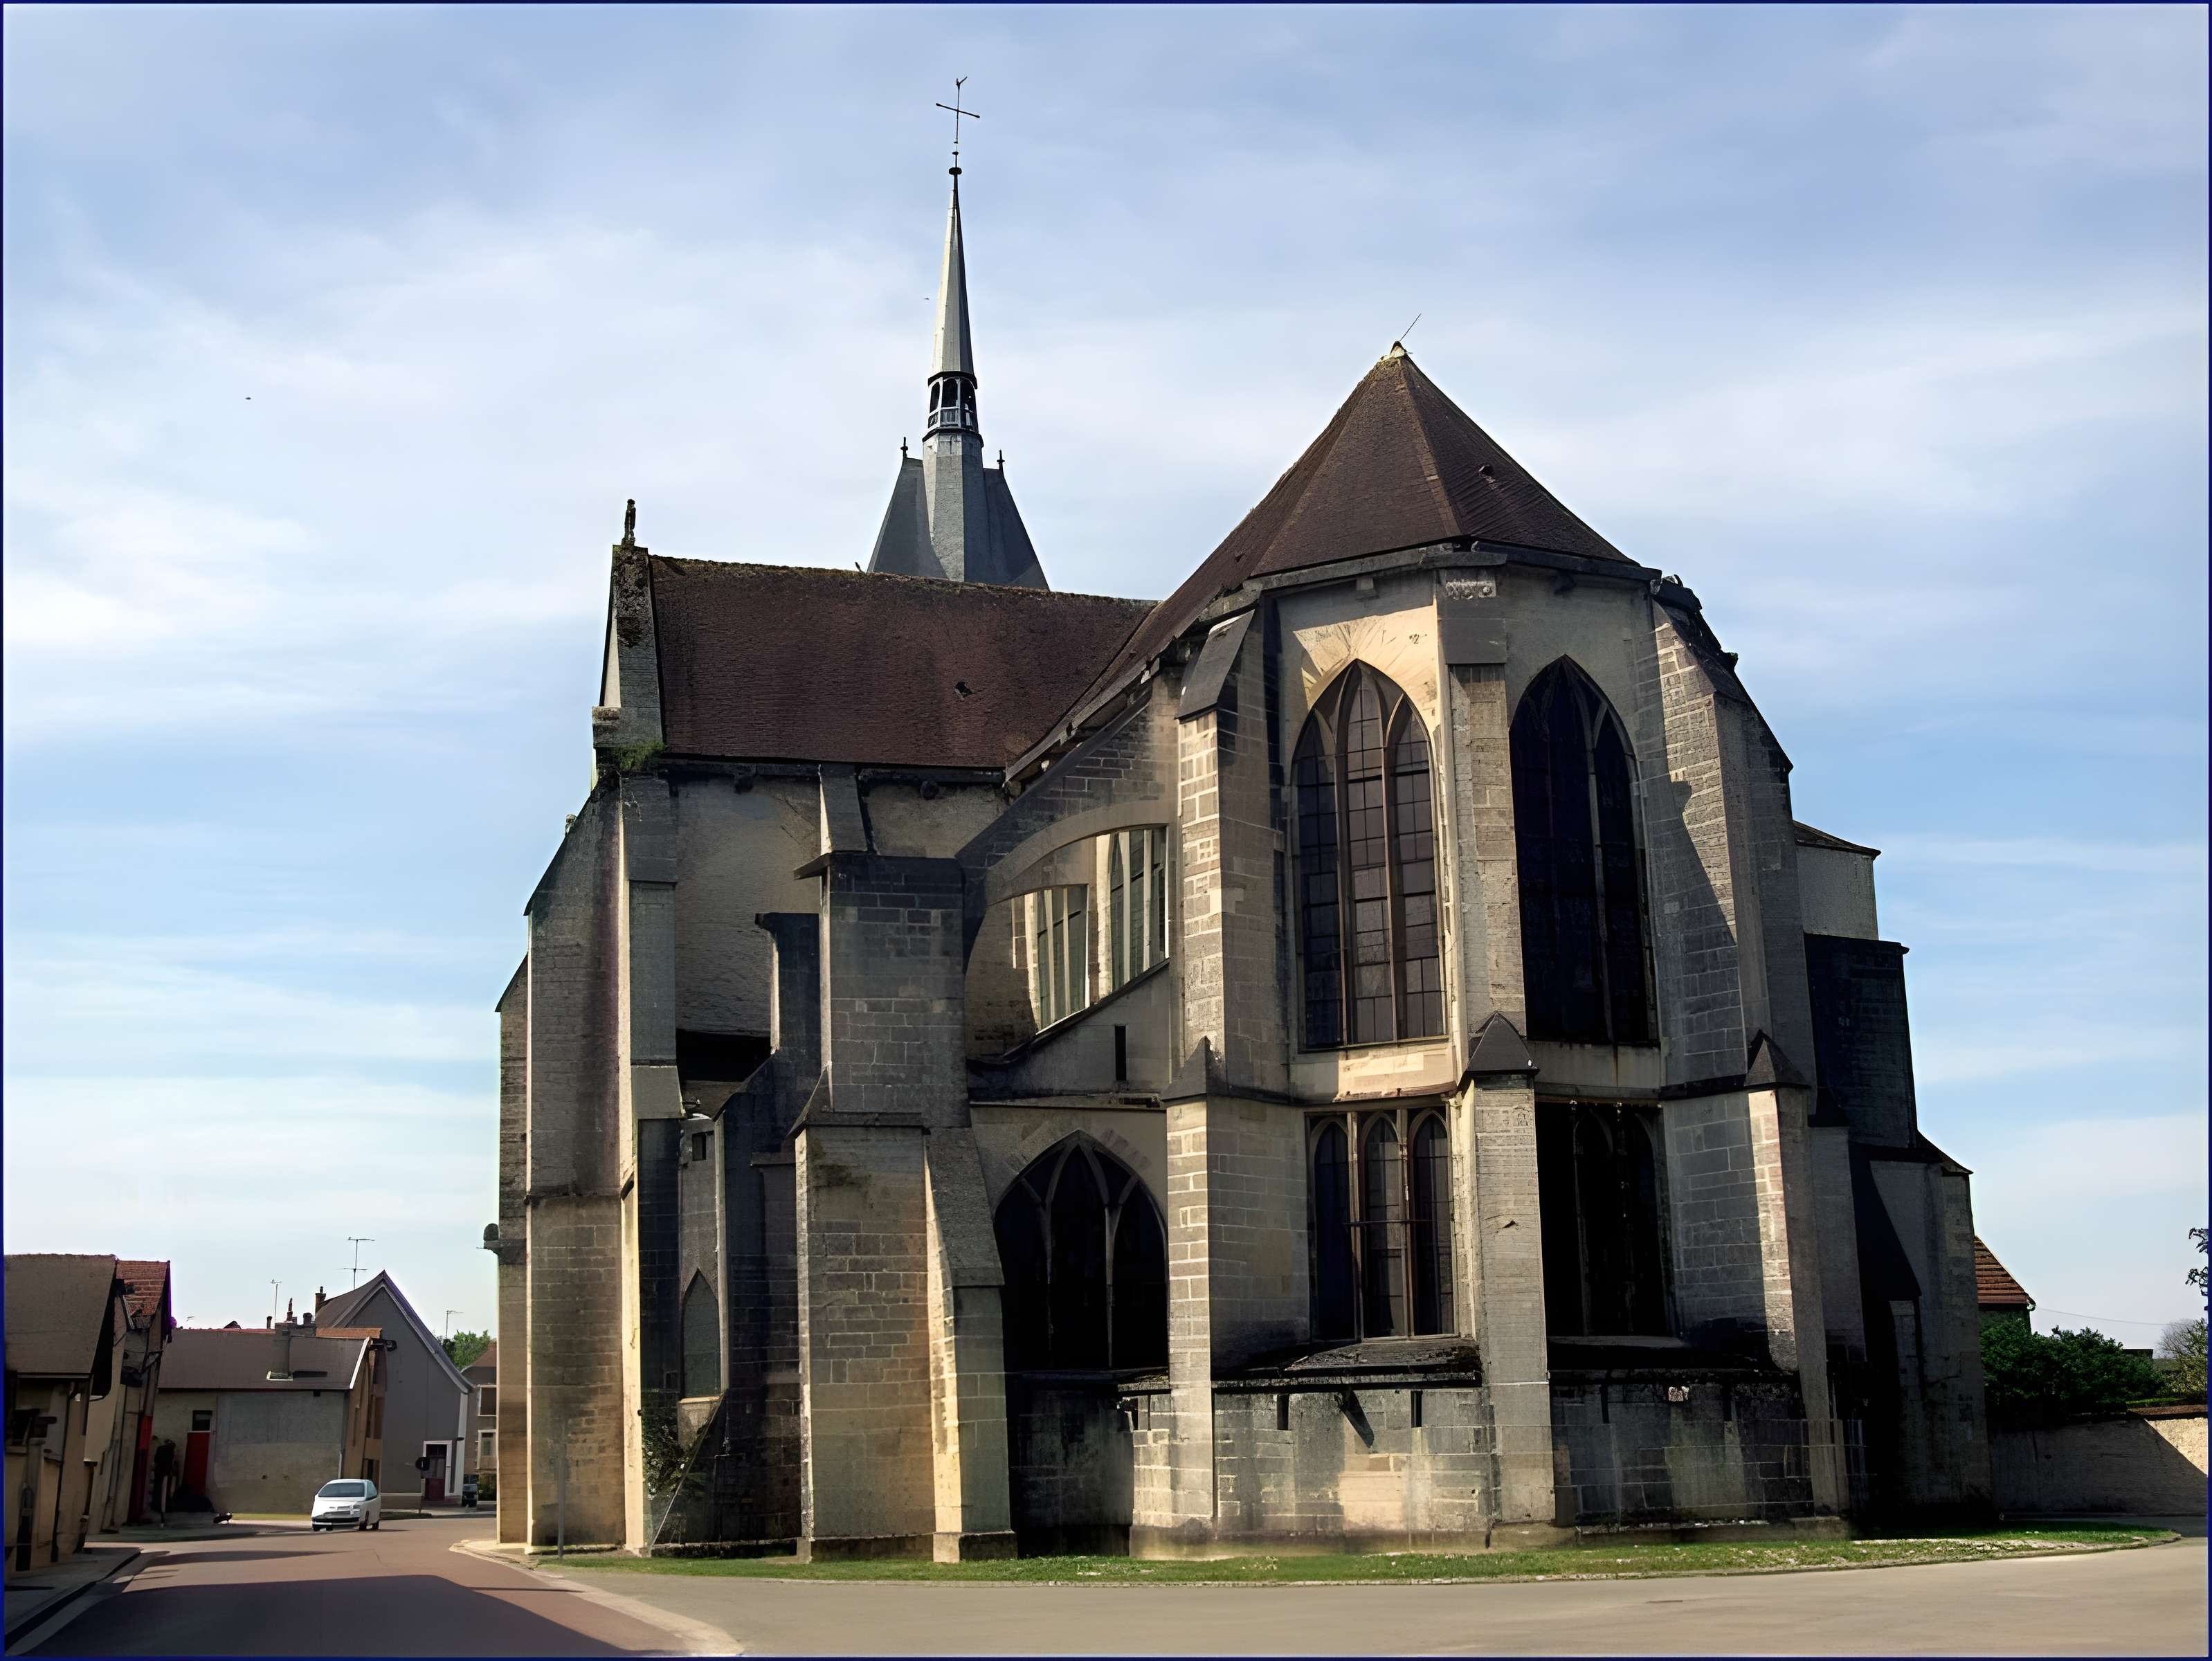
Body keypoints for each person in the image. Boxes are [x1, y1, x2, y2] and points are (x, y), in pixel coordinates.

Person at [150, 1440, 177, 1526]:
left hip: (159, 1473)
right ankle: (162, 1510)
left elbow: (156, 1460)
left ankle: (158, 1508)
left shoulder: (160, 1449)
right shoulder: (170, 1452)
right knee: (165, 1493)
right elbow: (170, 1464)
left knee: (158, 1491)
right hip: (165, 1474)